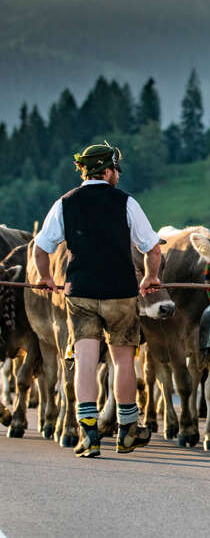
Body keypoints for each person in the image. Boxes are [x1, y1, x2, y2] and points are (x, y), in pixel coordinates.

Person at [34, 143, 162, 458]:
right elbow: (152, 248)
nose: (117, 174)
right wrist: (150, 277)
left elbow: (41, 249)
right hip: (120, 292)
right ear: (105, 171)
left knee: (86, 362)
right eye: (116, 169)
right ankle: (127, 432)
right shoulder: (126, 202)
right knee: (122, 361)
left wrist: (46, 278)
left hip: (80, 293)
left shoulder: (65, 203)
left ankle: (88, 435)